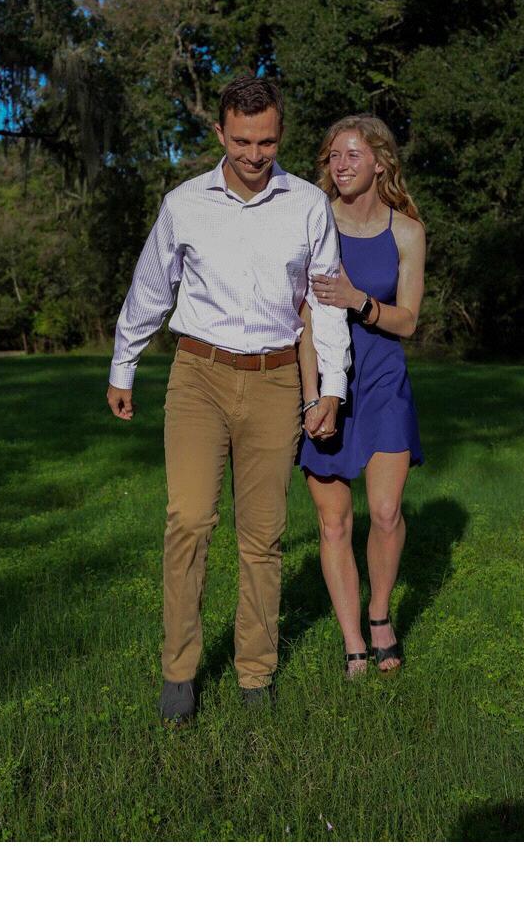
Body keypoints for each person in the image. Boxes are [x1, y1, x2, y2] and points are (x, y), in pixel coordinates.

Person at [106, 75, 350, 722]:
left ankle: (255, 675)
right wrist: (123, 365)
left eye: (266, 141)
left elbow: (326, 303)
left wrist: (331, 387)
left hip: (275, 380)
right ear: (220, 133)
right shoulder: (184, 204)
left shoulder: (308, 206)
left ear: (281, 134)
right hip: (199, 376)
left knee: (263, 536)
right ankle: (179, 674)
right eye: (241, 141)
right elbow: (150, 289)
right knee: (188, 520)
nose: (253, 154)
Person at [297, 115, 425, 677]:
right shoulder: (312, 221)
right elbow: (302, 318)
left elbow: (408, 321)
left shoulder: (407, 232)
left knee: (387, 512)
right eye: (333, 155)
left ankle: (379, 616)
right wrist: (311, 398)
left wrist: (359, 301)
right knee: (334, 523)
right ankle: (353, 642)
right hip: (324, 381)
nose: (341, 164)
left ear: (379, 162)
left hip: (383, 380)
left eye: (352, 154)